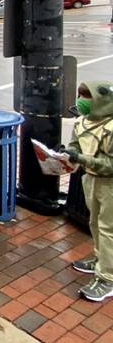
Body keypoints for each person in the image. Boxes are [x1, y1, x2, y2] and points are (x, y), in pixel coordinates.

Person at [60, 81, 113, 302]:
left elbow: (110, 165)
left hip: (109, 184)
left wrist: (80, 158)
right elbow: (76, 145)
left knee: (108, 229)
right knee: (94, 223)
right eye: (80, 95)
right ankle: (101, 260)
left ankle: (108, 278)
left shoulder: (110, 128)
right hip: (90, 179)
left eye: (86, 96)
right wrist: (67, 155)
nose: (81, 101)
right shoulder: (82, 122)